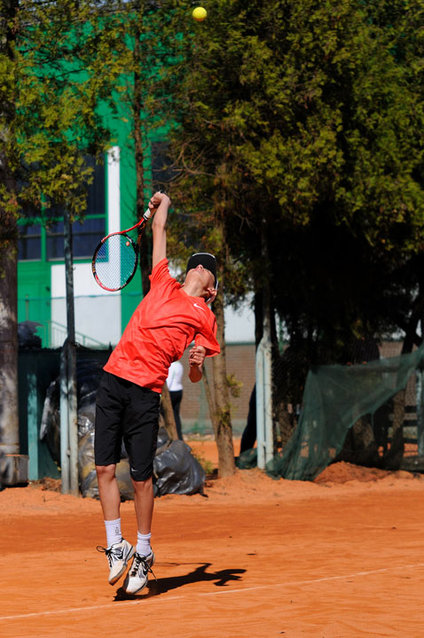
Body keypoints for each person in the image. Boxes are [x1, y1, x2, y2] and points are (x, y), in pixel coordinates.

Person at [94, 191, 220, 595]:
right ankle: (116, 545)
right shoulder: (162, 279)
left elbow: (197, 378)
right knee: (103, 470)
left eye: (208, 269)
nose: (200, 267)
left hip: (147, 391)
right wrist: (159, 204)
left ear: (212, 290)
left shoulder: (205, 317)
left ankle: (144, 551)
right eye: (197, 263)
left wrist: (197, 362)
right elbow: (161, 229)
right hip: (114, 377)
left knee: (142, 477)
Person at [166, 359, 184, 440]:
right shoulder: (179, 365)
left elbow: (169, 380)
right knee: (176, 414)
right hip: (179, 390)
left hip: (171, 391)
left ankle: (171, 436)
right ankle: (179, 436)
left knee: (167, 414)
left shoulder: (171, 366)